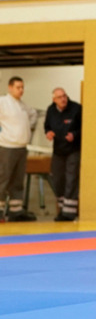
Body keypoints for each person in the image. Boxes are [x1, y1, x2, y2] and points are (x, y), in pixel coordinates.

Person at [0, 76, 38, 222]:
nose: (21, 90)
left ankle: (16, 210)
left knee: (17, 180)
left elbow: (34, 114)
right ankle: (0, 209)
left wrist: (30, 126)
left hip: (21, 147)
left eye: (22, 87)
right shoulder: (3, 102)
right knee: (3, 178)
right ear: (10, 88)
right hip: (7, 146)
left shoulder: (23, 105)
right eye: (18, 87)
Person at [45, 87, 83, 221]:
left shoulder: (76, 109)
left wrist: (74, 134)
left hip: (73, 149)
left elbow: (83, 127)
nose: (63, 99)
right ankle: (62, 209)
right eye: (60, 97)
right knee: (57, 179)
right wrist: (48, 132)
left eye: (64, 96)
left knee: (71, 179)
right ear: (54, 100)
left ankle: (70, 212)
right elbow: (47, 126)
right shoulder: (51, 110)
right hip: (58, 150)